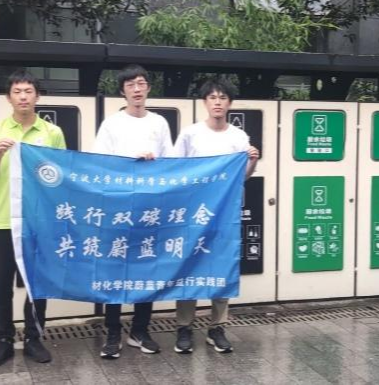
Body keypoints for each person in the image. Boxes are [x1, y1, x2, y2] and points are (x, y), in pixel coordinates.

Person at [0, 70, 66, 367]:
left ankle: (33, 339)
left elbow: (60, 176)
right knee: (1, 286)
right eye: (17, 92)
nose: (23, 97)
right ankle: (3, 341)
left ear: (37, 96)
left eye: (28, 91)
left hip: (37, 222)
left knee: (35, 286)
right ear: (8, 98)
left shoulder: (52, 132)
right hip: (2, 221)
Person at [172, 77, 259, 354]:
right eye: (212, 97)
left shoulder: (238, 137)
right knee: (190, 266)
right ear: (205, 102)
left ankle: (217, 328)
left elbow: (243, 176)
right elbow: (176, 169)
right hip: (194, 212)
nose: (218, 102)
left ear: (230, 103)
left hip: (225, 213)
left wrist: (252, 160)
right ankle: (184, 327)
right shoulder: (191, 134)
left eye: (223, 98)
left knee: (222, 266)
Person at [92, 64, 172, 359]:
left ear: (148, 87)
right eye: (130, 85)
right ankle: (113, 332)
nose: (137, 89)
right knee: (114, 269)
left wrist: (154, 164)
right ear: (122, 91)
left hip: (150, 209)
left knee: (146, 267)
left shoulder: (159, 123)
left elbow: (170, 164)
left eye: (141, 83)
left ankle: (140, 330)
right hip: (118, 208)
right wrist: (130, 160)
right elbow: (99, 164)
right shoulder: (111, 124)